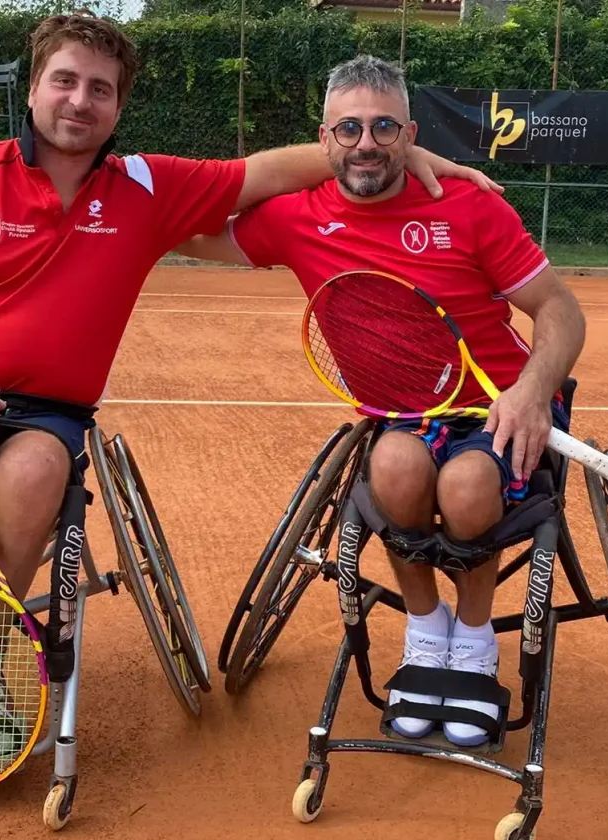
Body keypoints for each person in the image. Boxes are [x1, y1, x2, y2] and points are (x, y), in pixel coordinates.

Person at [0, 17, 501, 770]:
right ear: (33, 89)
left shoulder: (144, 188)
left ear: (118, 106)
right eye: (65, 81)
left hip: (44, 417)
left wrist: (397, 150)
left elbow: (263, 172)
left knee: (35, 473)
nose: (80, 100)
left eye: (100, 89)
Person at [173, 54, 586, 748]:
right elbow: (184, 224)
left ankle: (474, 640)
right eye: (350, 129)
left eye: (386, 128)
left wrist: (533, 390)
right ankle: (426, 630)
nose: (367, 143)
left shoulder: (468, 205)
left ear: (411, 134)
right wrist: (343, 155)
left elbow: (560, 310)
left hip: (499, 405)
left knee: (467, 485)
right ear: (324, 138)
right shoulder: (294, 217)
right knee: (393, 469)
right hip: (401, 417)